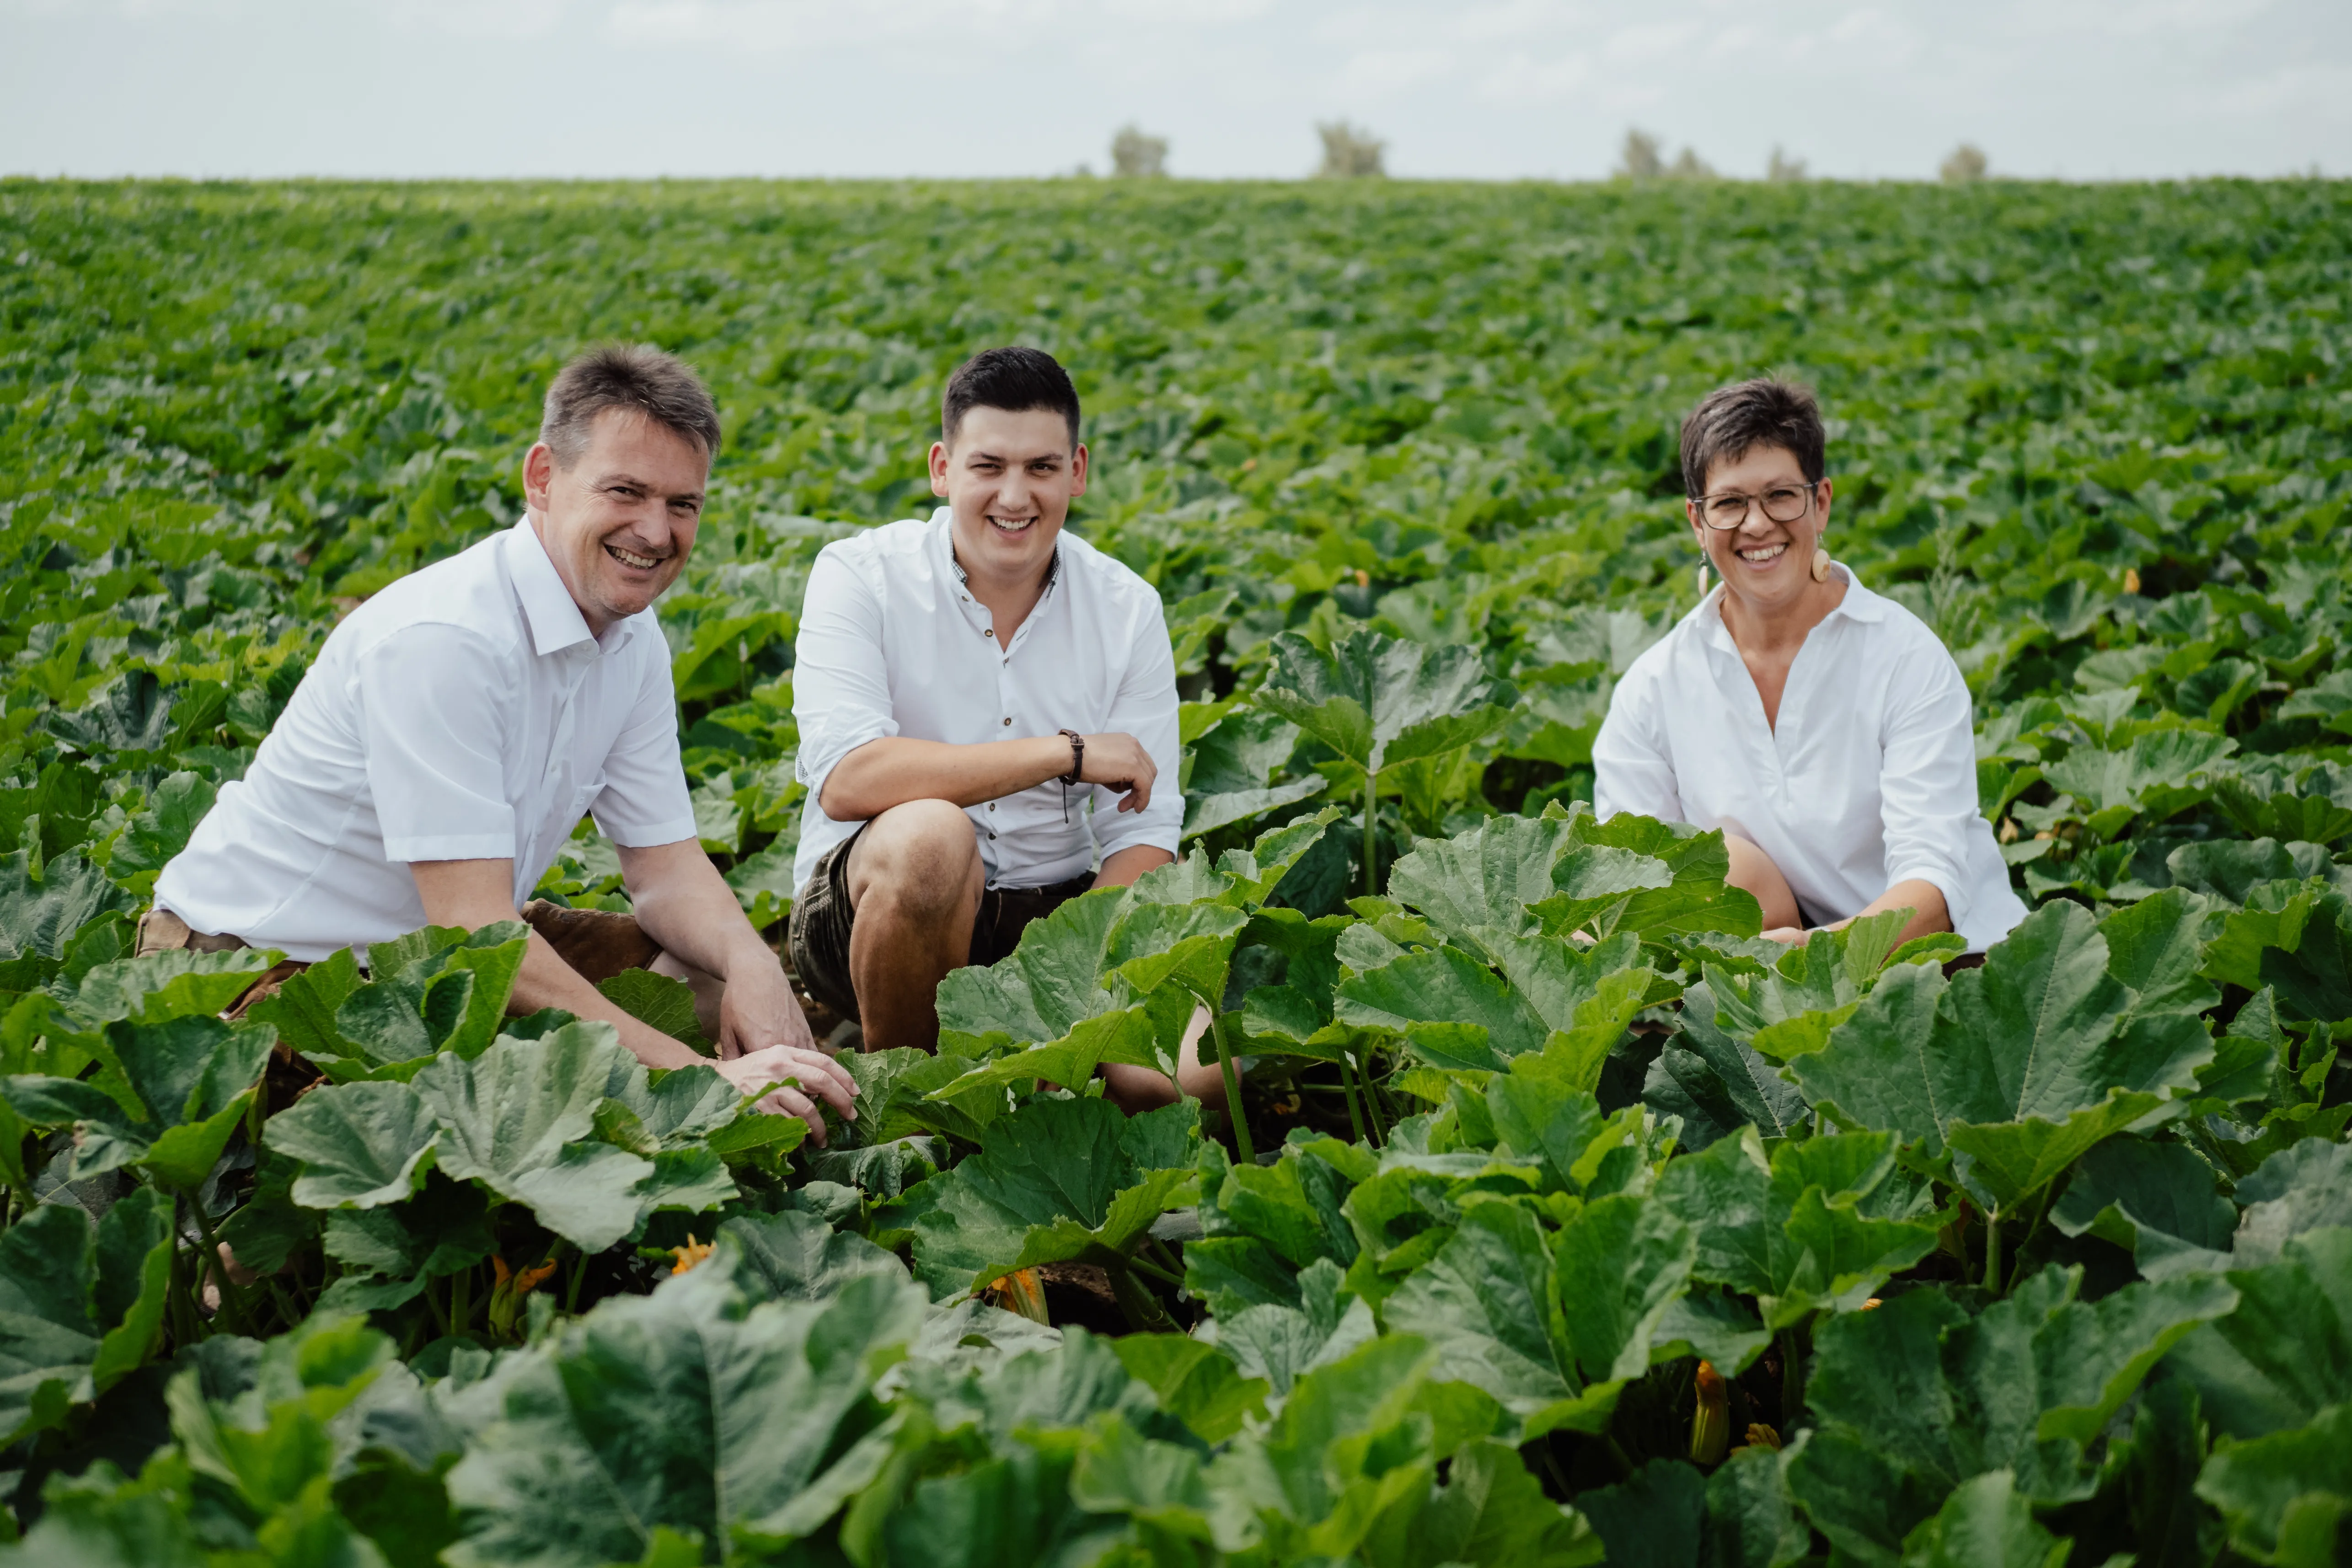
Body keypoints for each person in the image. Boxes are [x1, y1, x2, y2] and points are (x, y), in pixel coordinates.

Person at [147, 345, 858, 1142]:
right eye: (624, 490)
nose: (655, 531)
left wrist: (756, 966)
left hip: (420, 957)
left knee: (700, 978)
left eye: (683, 503)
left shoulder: (632, 638)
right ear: (543, 477)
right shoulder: (444, 640)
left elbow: (663, 866)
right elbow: (475, 929)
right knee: (445, 1145)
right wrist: (703, 1083)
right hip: (255, 970)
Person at [787, 346, 1224, 1110]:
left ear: (1077, 471)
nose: (1014, 495)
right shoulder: (860, 575)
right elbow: (849, 778)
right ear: (941, 469)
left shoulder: (1126, 606)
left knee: (1194, 1079)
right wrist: (1061, 754)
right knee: (931, 838)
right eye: (987, 466)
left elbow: (1143, 835)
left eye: (1042, 468)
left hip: (1054, 914)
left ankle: (1024, 1071)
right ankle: (909, 1108)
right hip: (869, 905)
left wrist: (1065, 986)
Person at [1592, 378, 2026, 953]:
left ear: (1819, 503)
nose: (1756, 525)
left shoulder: (1904, 657)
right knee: (1724, 868)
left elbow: (1934, 888)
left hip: (1936, 964)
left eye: (1780, 496)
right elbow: (1633, 882)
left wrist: (1804, 957)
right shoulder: (1652, 689)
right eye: (1729, 503)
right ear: (1697, 522)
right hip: (1760, 977)